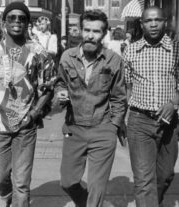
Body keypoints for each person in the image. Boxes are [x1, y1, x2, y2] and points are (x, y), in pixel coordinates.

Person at [0, 2, 55, 207]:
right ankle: (8, 199)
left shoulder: (38, 52)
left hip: (26, 126)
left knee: (22, 184)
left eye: (22, 18)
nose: (17, 22)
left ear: (27, 23)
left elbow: (48, 87)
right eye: (12, 18)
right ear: (4, 22)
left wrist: (34, 114)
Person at [55, 9, 127, 207]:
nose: (89, 35)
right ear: (80, 30)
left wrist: (114, 126)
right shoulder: (67, 57)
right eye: (86, 30)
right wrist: (60, 92)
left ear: (104, 34)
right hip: (74, 128)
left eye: (96, 31)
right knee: (67, 182)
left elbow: (120, 97)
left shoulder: (113, 60)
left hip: (103, 128)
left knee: (97, 188)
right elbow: (60, 83)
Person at [123, 6, 179, 207]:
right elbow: (127, 87)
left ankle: (153, 202)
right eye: (148, 21)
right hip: (140, 121)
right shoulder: (131, 50)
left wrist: (174, 103)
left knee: (165, 175)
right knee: (144, 181)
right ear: (141, 24)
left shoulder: (178, 49)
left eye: (158, 20)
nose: (153, 24)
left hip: (169, 122)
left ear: (166, 21)